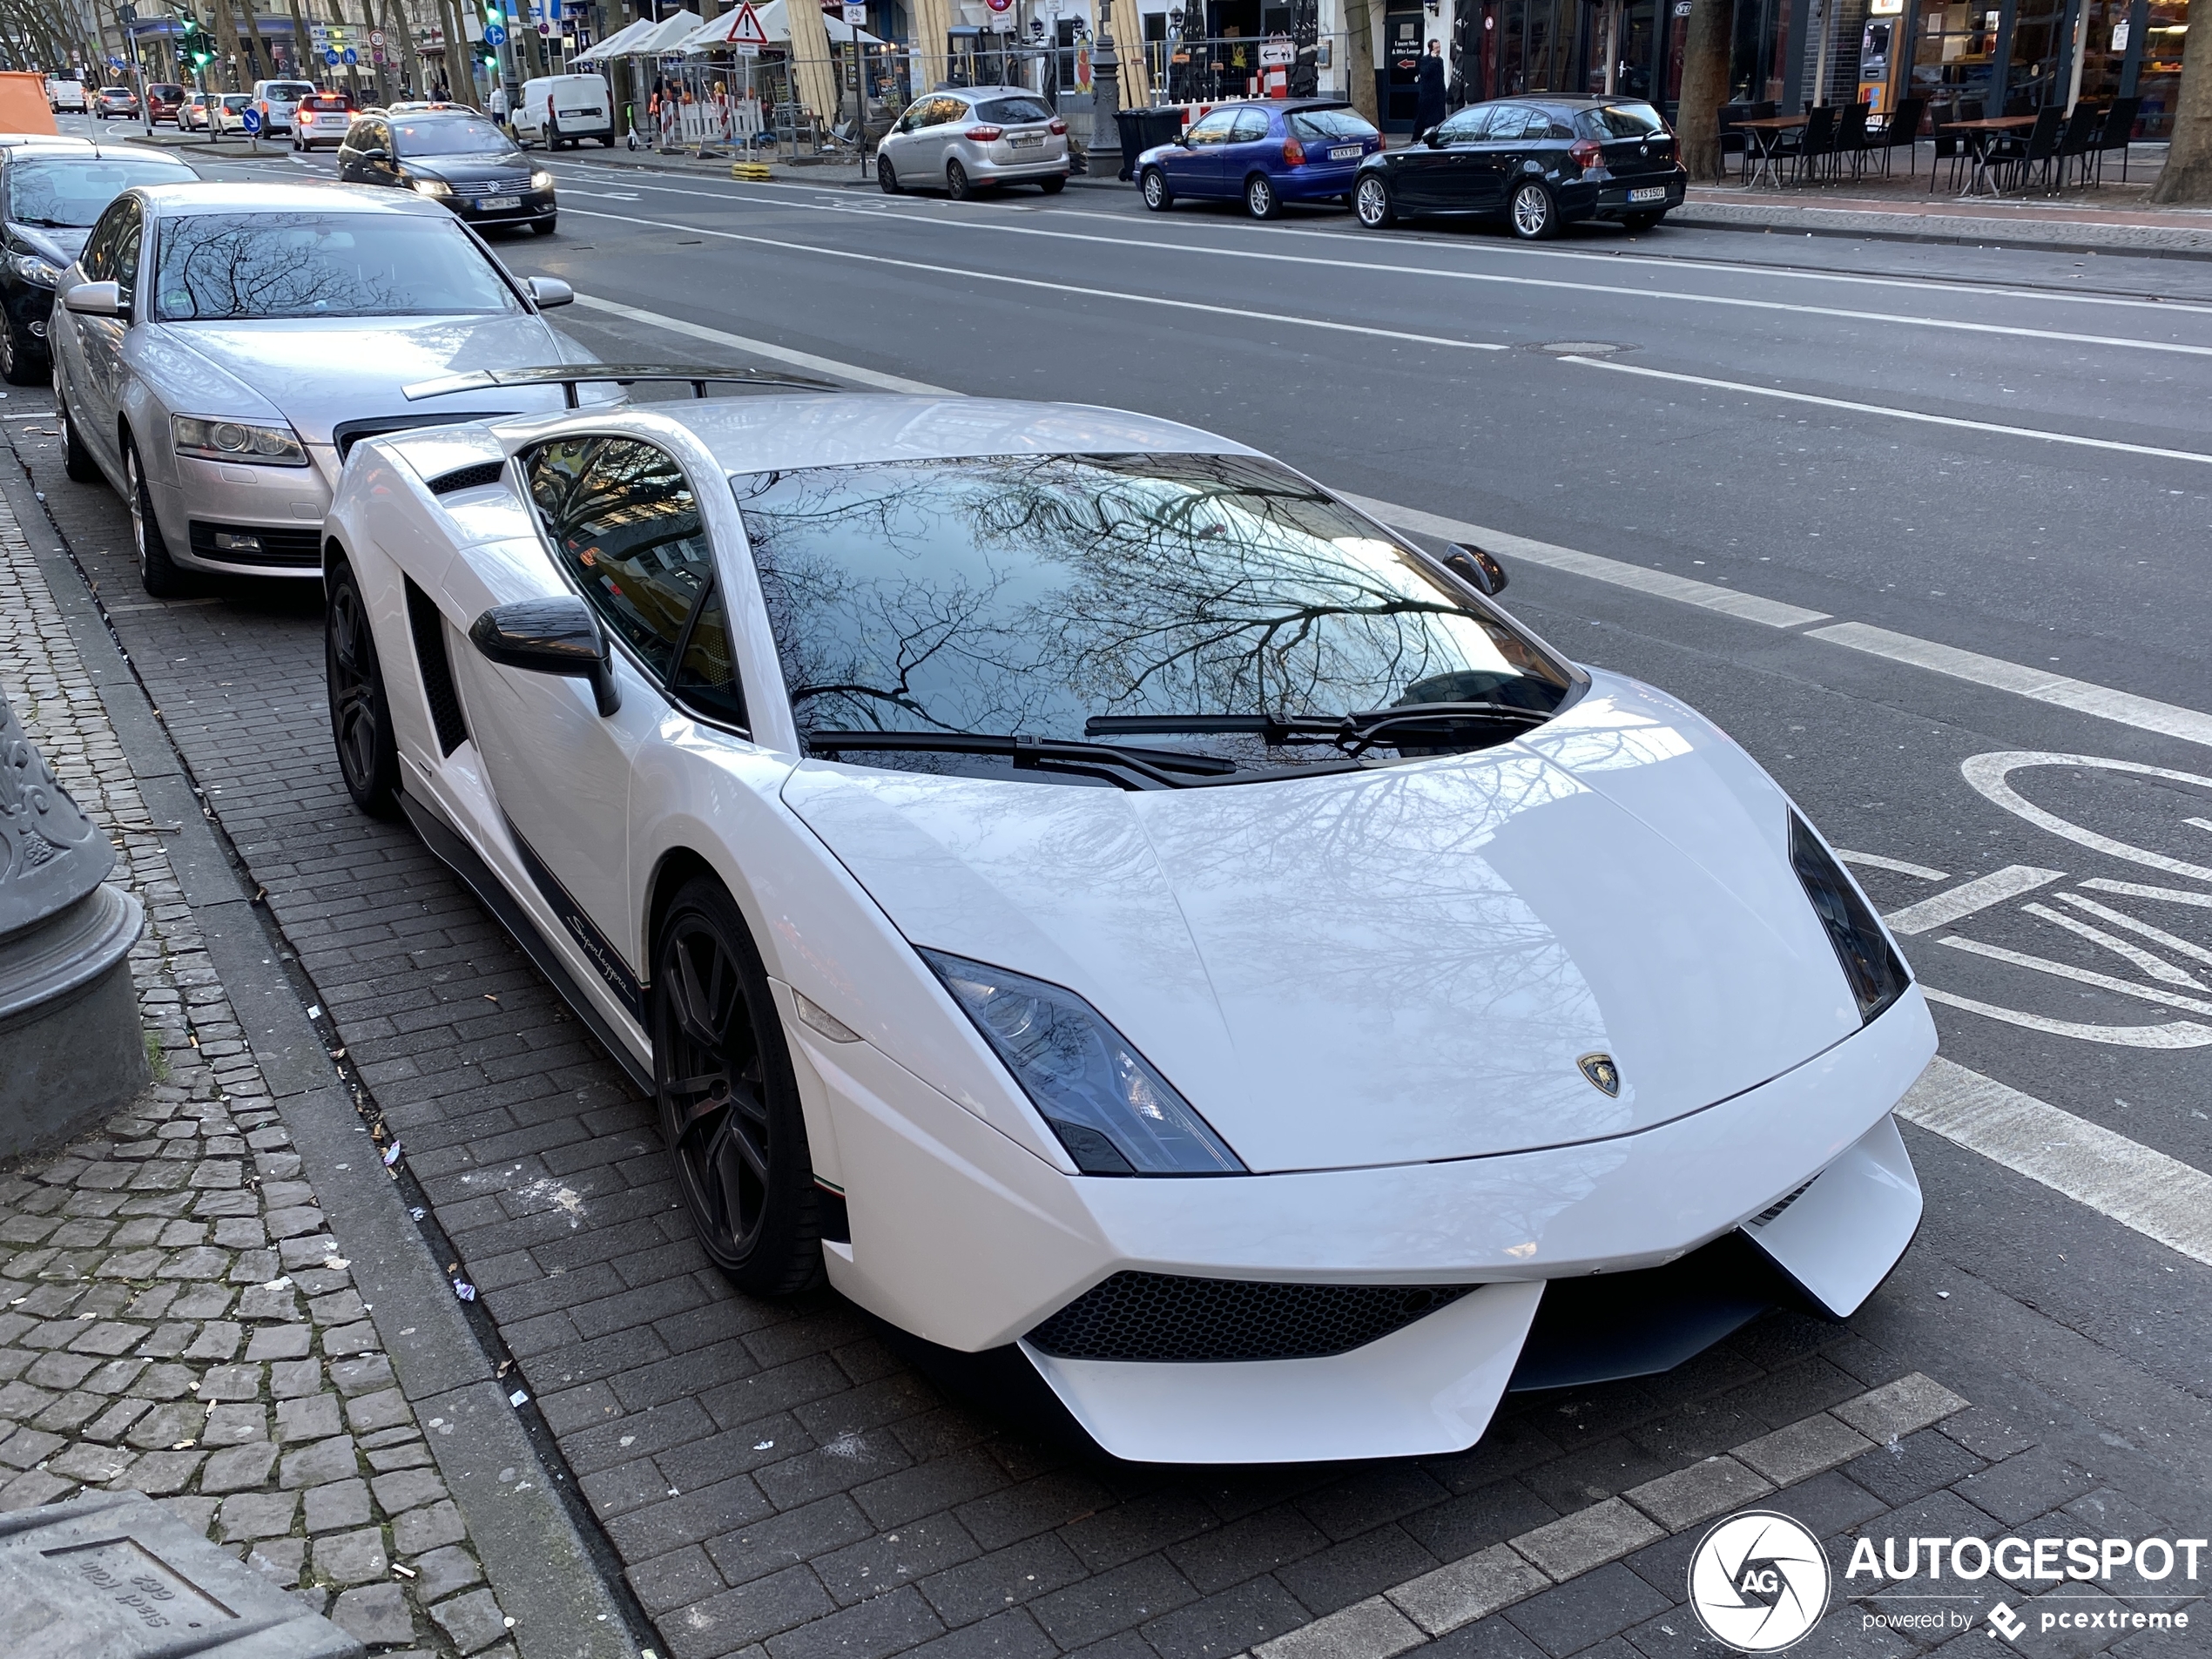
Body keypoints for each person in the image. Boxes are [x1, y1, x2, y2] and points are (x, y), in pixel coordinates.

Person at [1415, 38, 1447, 138]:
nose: (1438, 49)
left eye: (1439, 47)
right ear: (1431, 49)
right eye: (1436, 47)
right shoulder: (1425, 60)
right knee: (1422, 119)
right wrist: (1433, 61)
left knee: (1439, 120)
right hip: (1427, 96)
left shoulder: (1440, 60)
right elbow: (1425, 73)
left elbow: (1441, 77)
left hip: (1438, 96)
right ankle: (1416, 137)